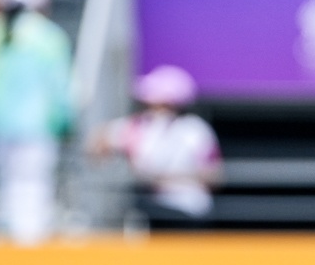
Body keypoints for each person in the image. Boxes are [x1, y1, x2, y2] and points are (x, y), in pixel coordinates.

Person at [92, 65, 223, 227]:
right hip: (152, 211)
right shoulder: (138, 128)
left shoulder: (195, 129)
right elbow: (98, 143)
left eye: (156, 102)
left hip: (188, 212)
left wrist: (165, 179)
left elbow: (215, 175)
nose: (149, 105)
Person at [0, 0, 68, 246]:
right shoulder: (50, 38)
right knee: (33, 188)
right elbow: (62, 89)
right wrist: (65, 122)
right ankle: (29, 252)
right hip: (38, 130)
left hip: (2, 129)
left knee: (7, 188)